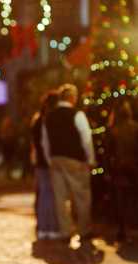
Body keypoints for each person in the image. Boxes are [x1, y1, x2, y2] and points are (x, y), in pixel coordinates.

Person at [42, 83, 95, 245]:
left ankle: (65, 231)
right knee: (81, 196)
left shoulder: (49, 116)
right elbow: (86, 138)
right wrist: (91, 158)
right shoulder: (76, 114)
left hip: (56, 160)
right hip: (75, 159)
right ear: (72, 97)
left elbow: (45, 142)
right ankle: (83, 230)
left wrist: (50, 160)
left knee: (60, 198)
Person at [30, 90, 59, 240]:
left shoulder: (37, 119)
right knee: (48, 195)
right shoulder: (44, 120)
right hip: (45, 162)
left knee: (43, 194)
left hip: (40, 162)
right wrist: (49, 161)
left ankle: (44, 227)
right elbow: (44, 143)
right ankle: (48, 227)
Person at [107, 100, 138, 241]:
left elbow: (109, 152)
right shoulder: (135, 128)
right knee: (131, 199)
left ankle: (122, 229)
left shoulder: (114, 130)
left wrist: (109, 168)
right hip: (133, 169)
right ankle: (130, 229)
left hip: (119, 168)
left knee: (120, 199)